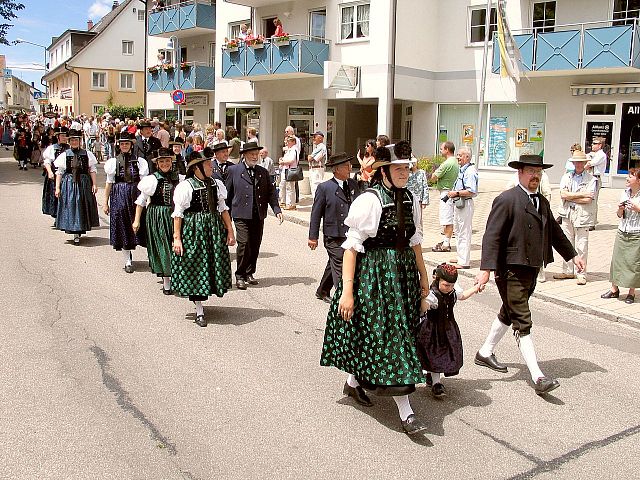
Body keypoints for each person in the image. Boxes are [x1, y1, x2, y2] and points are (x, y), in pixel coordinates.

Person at [320, 141, 431, 435]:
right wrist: (346, 291)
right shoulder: (369, 200)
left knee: (392, 333)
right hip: (376, 276)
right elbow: (352, 249)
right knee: (390, 336)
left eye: (407, 168)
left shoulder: (410, 199)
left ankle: (353, 383)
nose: (405, 173)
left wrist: (423, 276)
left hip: (403, 274)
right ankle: (406, 413)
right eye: (398, 168)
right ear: (383, 171)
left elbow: (415, 240)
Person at [474, 154, 585, 395]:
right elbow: (491, 236)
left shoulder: (542, 201)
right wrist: (486, 270)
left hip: (532, 269)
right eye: (531, 171)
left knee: (509, 311)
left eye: (539, 172)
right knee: (522, 320)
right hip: (510, 270)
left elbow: (555, 233)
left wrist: (573, 255)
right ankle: (538, 376)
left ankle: (484, 352)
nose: (535, 176)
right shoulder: (506, 200)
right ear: (520, 173)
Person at [171, 151, 235, 327]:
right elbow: (178, 214)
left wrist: (230, 231)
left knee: (212, 263)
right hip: (194, 229)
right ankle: (199, 309)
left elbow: (223, 209)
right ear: (196, 168)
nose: (211, 167)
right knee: (197, 264)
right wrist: (177, 238)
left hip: (213, 229)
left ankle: (206, 295)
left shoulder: (216, 183)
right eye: (207, 165)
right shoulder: (186, 187)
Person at [416, 263, 483, 398]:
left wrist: (476, 288)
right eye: (446, 285)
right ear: (437, 279)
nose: (449, 288)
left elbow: (462, 295)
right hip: (432, 331)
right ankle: (436, 384)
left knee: (443, 356)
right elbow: (423, 308)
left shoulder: (453, 292)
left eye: (451, 285)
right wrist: (423, 296)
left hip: (448, 329)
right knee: (435, 355)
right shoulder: (433, 296)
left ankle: (432, 377)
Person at [225, 141, 283, 290]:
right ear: (244, 155)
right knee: (243, 244)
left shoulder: (262, 172)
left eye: (256, 154)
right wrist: (226, 217)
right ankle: (240, 275)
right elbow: (227, 195)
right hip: (241, 214)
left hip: (258, 214)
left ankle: (250, 272)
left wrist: (277, 210)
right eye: (251, 154)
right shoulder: (234, 171)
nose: (254, 157)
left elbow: (271, 193)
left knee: (255, 244)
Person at [308, 153, 359, 303]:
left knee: (333, 263)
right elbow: (316, 213)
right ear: (336, 169)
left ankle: (322, 291)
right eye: (346, 166)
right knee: (342, 265)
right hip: (333, 236)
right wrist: (313, 236)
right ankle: (342, 298)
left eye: (350, 165)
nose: (350, 168)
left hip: (351, 234)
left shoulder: (353, 184)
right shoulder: (325, 188)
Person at [133, 148, 182, 295]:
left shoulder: (178, 178)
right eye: (162, 161)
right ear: (157, 164)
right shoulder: (152, 179)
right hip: (158, 215)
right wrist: (136, 221)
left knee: (177, 245)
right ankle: (167, 281)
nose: (165, 164)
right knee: (163, 247)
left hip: (175, 215)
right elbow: (141, 201)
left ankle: (177, 277)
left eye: (167, 161)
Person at [103, 132, 149, 272]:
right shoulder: (113, 162)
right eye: (122, 144)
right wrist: (105, 202)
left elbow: (145, 182)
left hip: (135, 193)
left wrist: (146, 198)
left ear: (131, 145)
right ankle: (127, 259)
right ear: (119, 145)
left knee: (140, 224)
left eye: (127, 143)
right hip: (119, 195)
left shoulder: (140, 161)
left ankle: (151, 256)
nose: (124, 146)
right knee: (123, 225)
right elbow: (109, 183)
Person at [554, 150, 596, 285]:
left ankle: (581, 273)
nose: (578, 164)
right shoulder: (567, 176)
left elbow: (589, 199)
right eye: (576, 162)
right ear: (573, 163)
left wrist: (571, 196)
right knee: (567, 242)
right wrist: (580, 195)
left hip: (582, 215)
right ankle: (567, 270)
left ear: (585, 163)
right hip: (567, 213)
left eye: (581, 162)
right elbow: (563, 195)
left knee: (582, 245)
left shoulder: (591, 179)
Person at [601, 168, 640, 305]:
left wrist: (638, 209)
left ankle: (631, 293)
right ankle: (614, 289)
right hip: (622, 230)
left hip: (636, 233)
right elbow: (619, 215)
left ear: (639, 181)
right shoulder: (624, 193)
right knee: (617, 260)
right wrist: (620, 209)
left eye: (631, 176)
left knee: (633, 263)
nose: (627, 178)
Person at [54, 129, 100, 245]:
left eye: (76, 140)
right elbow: (59, 172)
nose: (74, 142)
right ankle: (74, 231)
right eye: (72, 140)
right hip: (69, 183)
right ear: (69, 142)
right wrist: (57, 187)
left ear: (80, 141)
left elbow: (92, 170)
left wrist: (94, 184)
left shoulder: (87, 154)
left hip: (84, 183)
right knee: (72, 205)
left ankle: (79, 229)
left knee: (82, 205)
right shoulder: (65, 155)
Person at [446, 146, 478, 269]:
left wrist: (457, 193)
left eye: (460, 155)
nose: (457, 157)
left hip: (465, 203)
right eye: (458, 155)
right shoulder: (462, 170)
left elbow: (472, 191)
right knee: (458, 231)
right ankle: (460, 257)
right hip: (459, 203)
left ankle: (464, 262)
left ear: (467, 157)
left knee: (464, 232)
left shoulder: (470, 171)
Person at [431, 141, 459, 253]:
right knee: (449, 218)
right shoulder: (456, 162)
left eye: (442, 148)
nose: (440, 150)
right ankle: (445, 241)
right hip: (453, 192)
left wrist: (435, 176)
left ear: (447, 149)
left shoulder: (447, 163)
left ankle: (446, 243)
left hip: (446, 193)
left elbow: (433, 177)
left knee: (447, 219)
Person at [42, 126, 69, 220]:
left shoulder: (70, 148)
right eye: (62, 136)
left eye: (66, 136)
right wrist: (49, 172)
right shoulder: (52, 148)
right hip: (54, 175)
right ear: (58, 137)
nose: (65, 138)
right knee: (55, 196)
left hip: (66, 176)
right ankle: (57, 216)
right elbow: (47, 162)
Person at [585, 137, 607, 230]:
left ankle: (592, 223)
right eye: (592, 143)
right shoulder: (593, 154)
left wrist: (587, 162)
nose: (592, 145)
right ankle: (588, 220)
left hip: (595, 178)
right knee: (587, 199)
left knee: (593, 201)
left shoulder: (601, 155)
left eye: (595, 143)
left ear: (600, 145)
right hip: (590, 177)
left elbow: (590, 164)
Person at [279, 135, 299, 210]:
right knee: (282, 185)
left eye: (288, 141)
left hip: (291, 170)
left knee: (290, 187)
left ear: (293, 142)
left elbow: (292, 160)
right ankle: (283, 201)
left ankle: (291, 204)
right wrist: (282, 160)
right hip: (285, 170)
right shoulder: (289, 149)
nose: (287, 143)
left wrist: (283, 162)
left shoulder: (294, 149)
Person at [307, 131, 327, 199]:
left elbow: (313, 158)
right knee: (313, 187)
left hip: (317, 169)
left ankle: (317, 204)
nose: (313, 138)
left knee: (316, 187)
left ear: (320, 138)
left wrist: (310, 157)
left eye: (315, 137)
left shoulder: (322, 147)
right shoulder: (317, 147)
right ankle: (315, 203)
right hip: (314, 169)